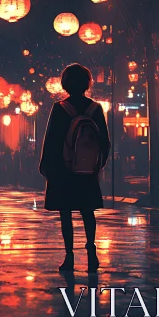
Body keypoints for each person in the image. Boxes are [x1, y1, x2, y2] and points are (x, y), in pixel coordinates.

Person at [38, 64, 110, 273]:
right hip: (87, 171)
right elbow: (104, 140)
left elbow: (52, 140)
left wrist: (48, 167)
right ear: (87, 84)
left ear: (65, 84)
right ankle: (91, 251)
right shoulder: (95, 109)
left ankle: (69, 256)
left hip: (64, 171)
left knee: (66, 213)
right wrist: (97, 163)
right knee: (88, 212)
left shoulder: (60, 108)